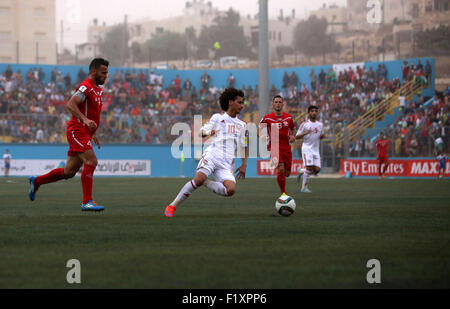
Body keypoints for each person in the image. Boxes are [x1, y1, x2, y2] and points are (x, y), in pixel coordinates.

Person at [28, 58, 109, 211]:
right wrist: (84, 120)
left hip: (85, 132)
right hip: (76, 131)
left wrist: (93, 133)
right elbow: (70, 104)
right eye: (103, 73)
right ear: (93, 72)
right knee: (91, 161)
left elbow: (93, 113)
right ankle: (87, 202)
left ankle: (36, 181)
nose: (106, 76)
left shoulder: (97, 90)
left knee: (69, 172)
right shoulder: (86, 87)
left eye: (106, 73)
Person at [164, 88, 248, 217]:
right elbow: (201, 132)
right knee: (198, 179)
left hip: (226, 163)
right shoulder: (218, 118)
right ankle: (172, 206)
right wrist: (210, 132)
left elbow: (243, 145)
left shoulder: (242, 125)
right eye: (239, 102)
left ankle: (206, 182)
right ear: (231, 102)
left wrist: (244, 165)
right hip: (213, 155)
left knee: (230, 190)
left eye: (243, 103)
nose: (242, 106)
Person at [259, 95, 296, 196]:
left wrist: (293, 136)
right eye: (276, 102)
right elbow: (259, 129)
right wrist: (261, 135)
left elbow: (293, 128)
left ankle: (273, 162)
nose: (278, 104)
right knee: (281, 168)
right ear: (272, 104)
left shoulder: (288, 117)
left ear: (283, 104)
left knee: (287, 173)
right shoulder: (267, 118)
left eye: (280, 102)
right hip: (274, 146)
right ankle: (283, 194)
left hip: (286, 148)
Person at [295, 105, 325, 193]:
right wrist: (305, 133)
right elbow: (297, 136)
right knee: (309, 168)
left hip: (316, 150)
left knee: (317, 170)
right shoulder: (304, 124)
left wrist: (322, 136)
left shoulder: (320, 124)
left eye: (316, 111)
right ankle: (304, 188)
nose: (314, 112)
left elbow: (320, 135)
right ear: (308, 113)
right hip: (307, 148)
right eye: (312, 111)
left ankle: (301, 171)